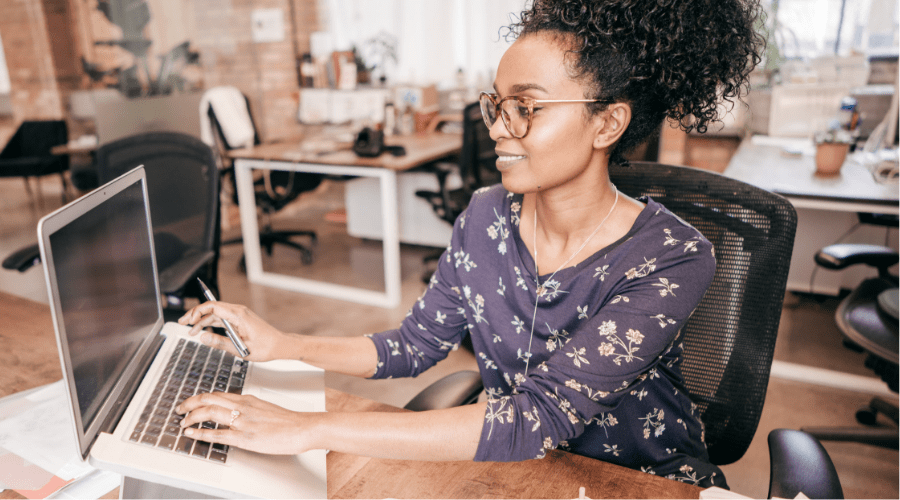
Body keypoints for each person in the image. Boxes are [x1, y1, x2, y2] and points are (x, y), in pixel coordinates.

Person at [176, 0, 763, 488]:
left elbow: (538, 416)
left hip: (644, 482)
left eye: (526, 108)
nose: (498, 127)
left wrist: (309, 427)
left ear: (607, 124)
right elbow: (413, 346)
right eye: (497, 105)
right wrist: (283, 344)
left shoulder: (673, 255)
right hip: (520, 469)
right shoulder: (485, 215)